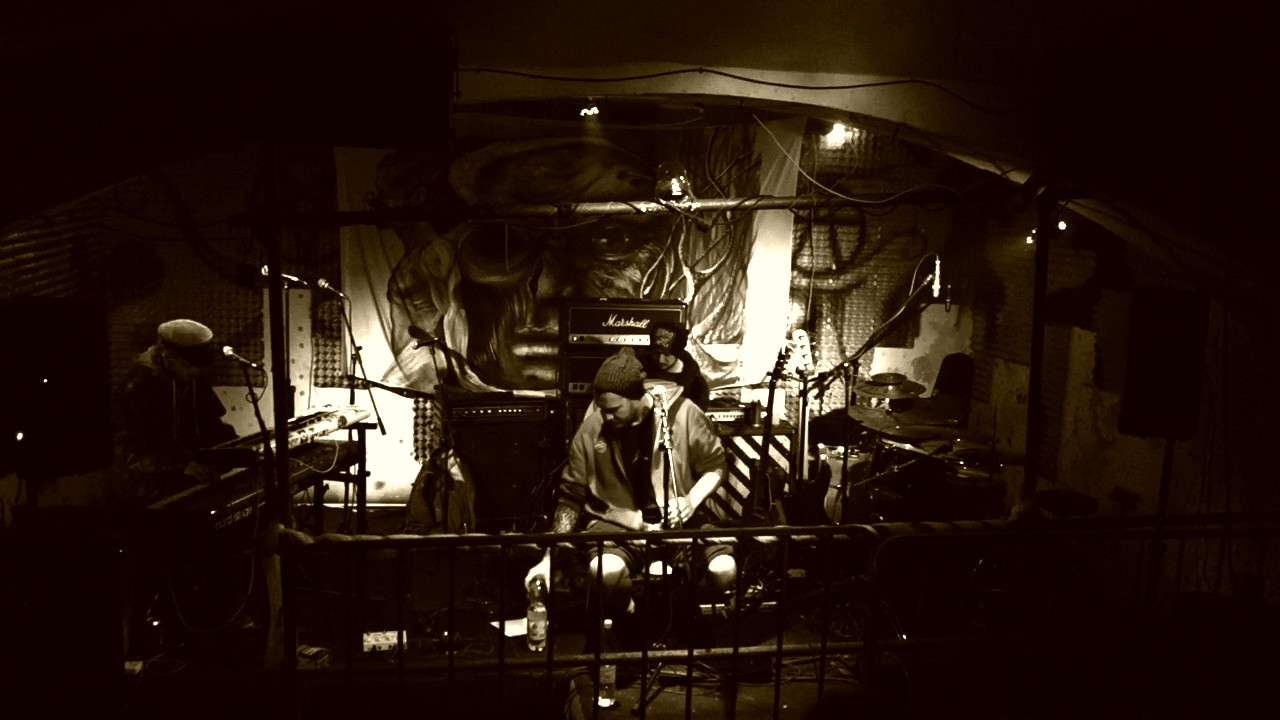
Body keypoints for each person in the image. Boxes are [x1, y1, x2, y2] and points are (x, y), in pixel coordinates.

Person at [524, 347, 734, 619]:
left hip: (680, 526)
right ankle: (629, 614)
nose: (606, 417)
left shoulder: (684, 414)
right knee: (603, 571)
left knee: (724, 571)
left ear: (637, 398)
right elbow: (570, 496)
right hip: (617, 528)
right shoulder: (592, 427)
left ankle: (678, 608)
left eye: (614, 410)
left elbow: (716, 465)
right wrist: (548, 561)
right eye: (602, 410)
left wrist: (691, 501)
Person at [112, 318, 238, 506]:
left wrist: (239, 449)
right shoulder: (136, 388)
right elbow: (130, 452)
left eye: (198, 367)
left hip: (186, 477)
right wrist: (183, 464)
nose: (195, 372)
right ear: (169, 358)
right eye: (189, 366)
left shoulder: (191, 377)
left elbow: (212, 425)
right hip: (147, 488)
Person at [641, 320, 710, 411]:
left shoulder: (695, 384)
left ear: (678, 354)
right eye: (656, 354)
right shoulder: (642, 369)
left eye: (667, 355)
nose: (660, 360)